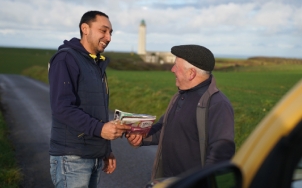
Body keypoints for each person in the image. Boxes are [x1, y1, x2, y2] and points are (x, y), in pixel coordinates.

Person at [126, 44, 235, 179]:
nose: (172, 70)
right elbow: (165, 129)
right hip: (166, 181)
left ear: (191, 73)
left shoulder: (218, 104)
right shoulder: (179, 96)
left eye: (176, 66)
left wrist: (204, 182)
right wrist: (141, 137)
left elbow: (221, 153)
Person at [48, 10, 131, 188]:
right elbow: (62, 107)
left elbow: (96, 111)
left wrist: (105, 149)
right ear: (85, 28)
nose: (108, 37)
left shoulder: (95, 63)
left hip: (93, 155)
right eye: (103, 30)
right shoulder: (66, 59)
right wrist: (101, 129)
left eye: (110, 32)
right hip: (72, 157)